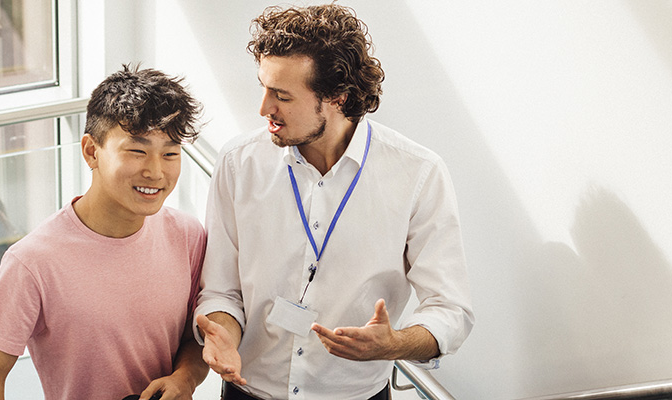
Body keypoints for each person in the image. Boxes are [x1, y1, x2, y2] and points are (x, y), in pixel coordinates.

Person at [194, 4, 474, 399]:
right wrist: (222, 333)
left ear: (338, 97)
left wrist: (396, 344)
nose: (264, 109)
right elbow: (222, 290)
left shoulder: (419, 173)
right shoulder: (238, 163)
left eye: (282, 96)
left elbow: (450, 310)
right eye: (263, 87)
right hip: (248, 390)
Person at [0, 65, 208, 400]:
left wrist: (184, 380)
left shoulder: (187, 235)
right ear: (92, 151)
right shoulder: (32, 262)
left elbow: (194, 338)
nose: (155, 171)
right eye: (137, 151)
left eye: (170, 154)